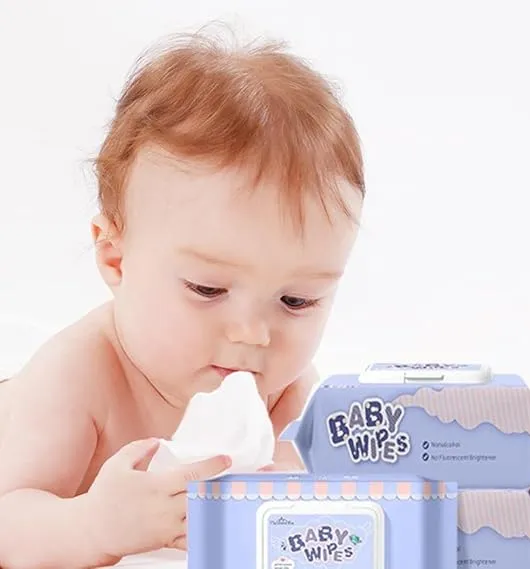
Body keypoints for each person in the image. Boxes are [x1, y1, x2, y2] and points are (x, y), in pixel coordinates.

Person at [0, 29, 365, 568]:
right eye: (207, 289)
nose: (253, 333)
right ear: (116, 259)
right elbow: (8, 524)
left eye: (296, 301)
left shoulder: (288, 395)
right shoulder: (78, 376)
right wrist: (94, 525)